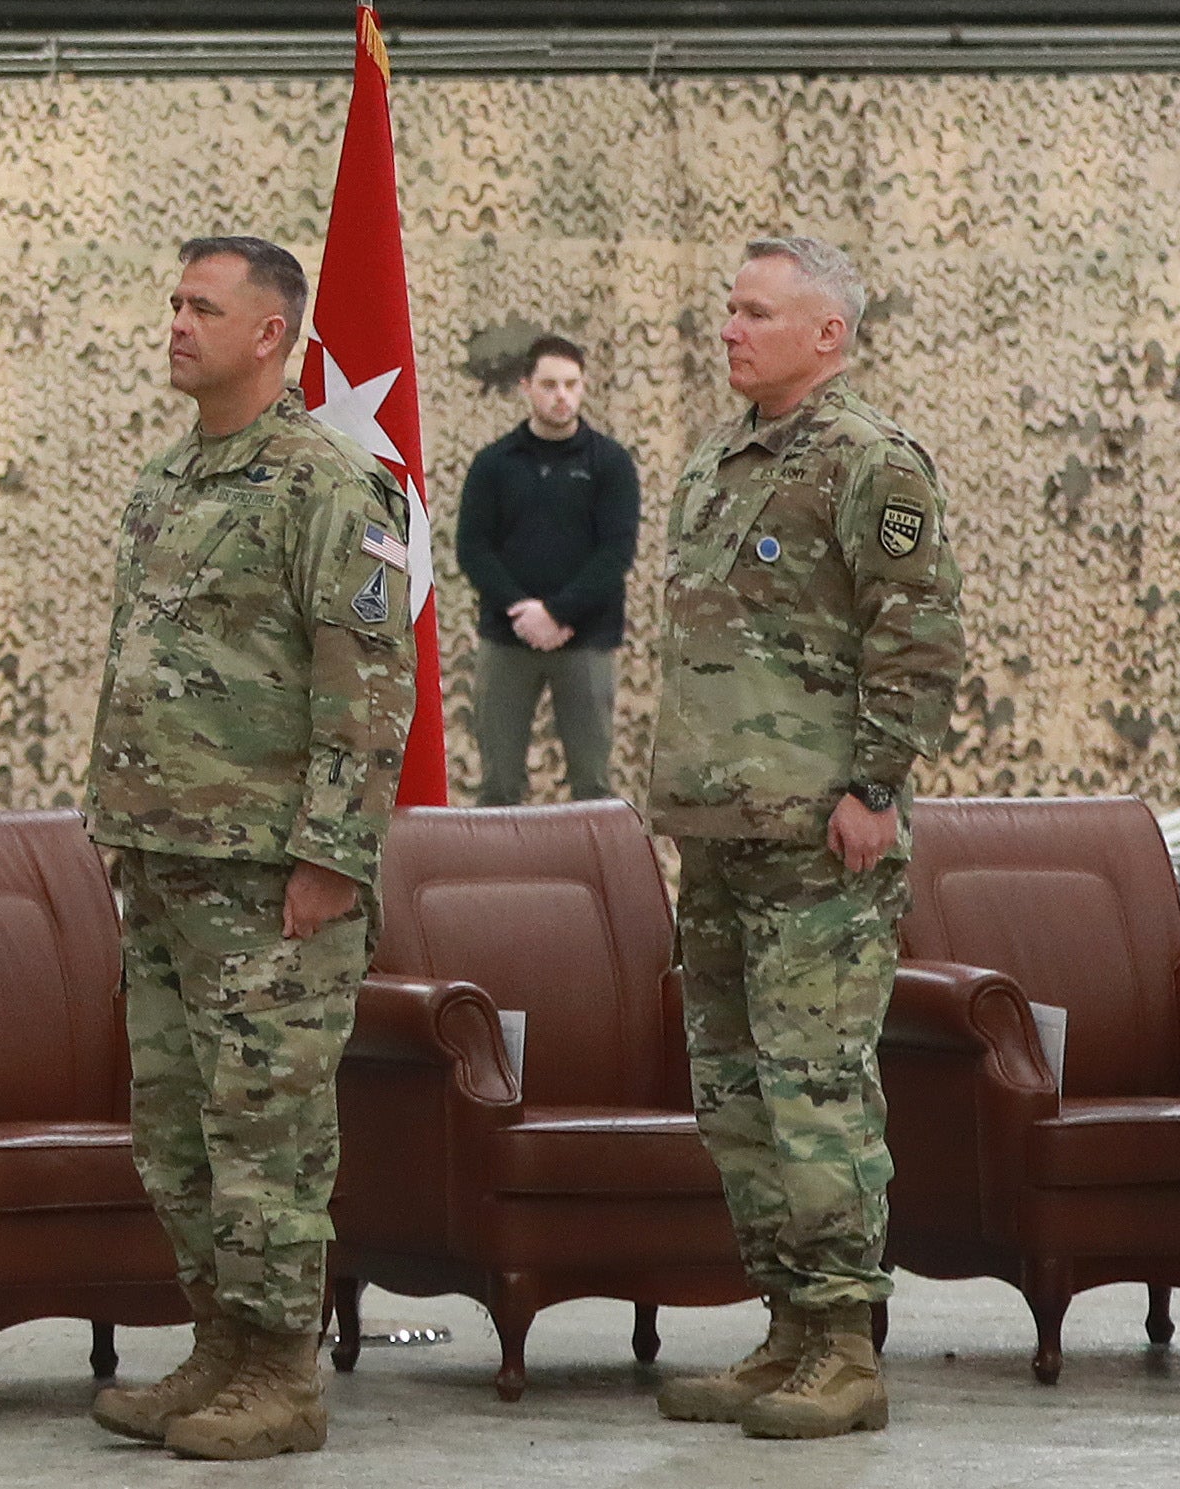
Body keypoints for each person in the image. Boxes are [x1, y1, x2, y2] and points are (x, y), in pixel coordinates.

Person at [84, 235, 418, 1462]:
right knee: (175, 1133)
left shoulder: (333, 486)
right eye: (170, 299)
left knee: (265, 1130)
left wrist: (332, 857)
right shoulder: (166, 481)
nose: (175, 321)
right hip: (162, 861)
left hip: (270, 875)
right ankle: (217, 1348)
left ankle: (281, 1371)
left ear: (269, 332)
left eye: (201, 305)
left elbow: (368, 688)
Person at [641, 235, 960, 1442]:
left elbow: (916, 633)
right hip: (721, 829)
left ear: (826, 333)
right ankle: (783, 1317)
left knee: (815, 1085)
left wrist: (873, 785)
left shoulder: (867, 461)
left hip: (820, 833)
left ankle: (841, 1340)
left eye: (756, 311)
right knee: (734, 1092)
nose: (728, 327)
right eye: (726, 306)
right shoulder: (717, 462)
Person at [456, 334, 641, 807]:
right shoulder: (493, 464)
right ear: (526, 387)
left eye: (572, 385)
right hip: (507, 636)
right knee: (498, 784)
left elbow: (616, 552)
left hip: (586, 639)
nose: (562, 396)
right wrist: (522, 609)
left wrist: (558, 614)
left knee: (593, 784)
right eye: (550, 384)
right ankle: (498, 879)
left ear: (584, 388)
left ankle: (587, 878)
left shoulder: (611, 463)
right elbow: (473, 549)